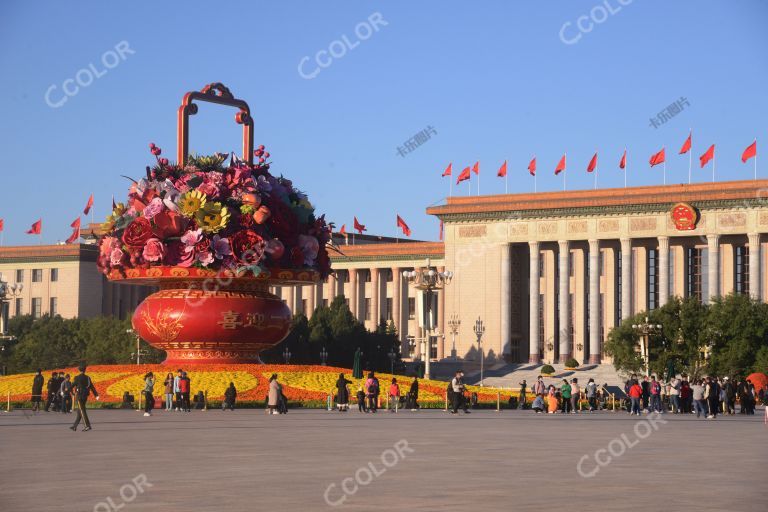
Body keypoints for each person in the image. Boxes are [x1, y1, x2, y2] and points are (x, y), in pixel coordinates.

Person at [70, 364, 99, 432]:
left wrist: (66, 390)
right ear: (85, 370)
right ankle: (75, 426)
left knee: (82, 411)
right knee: (80, 411)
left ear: (79, 370)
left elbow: (73, 385)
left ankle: (87, 426)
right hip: (85, 396)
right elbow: (91, 386)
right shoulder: (88, 378)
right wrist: (96, 395)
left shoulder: (77, 377)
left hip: (79, 396)